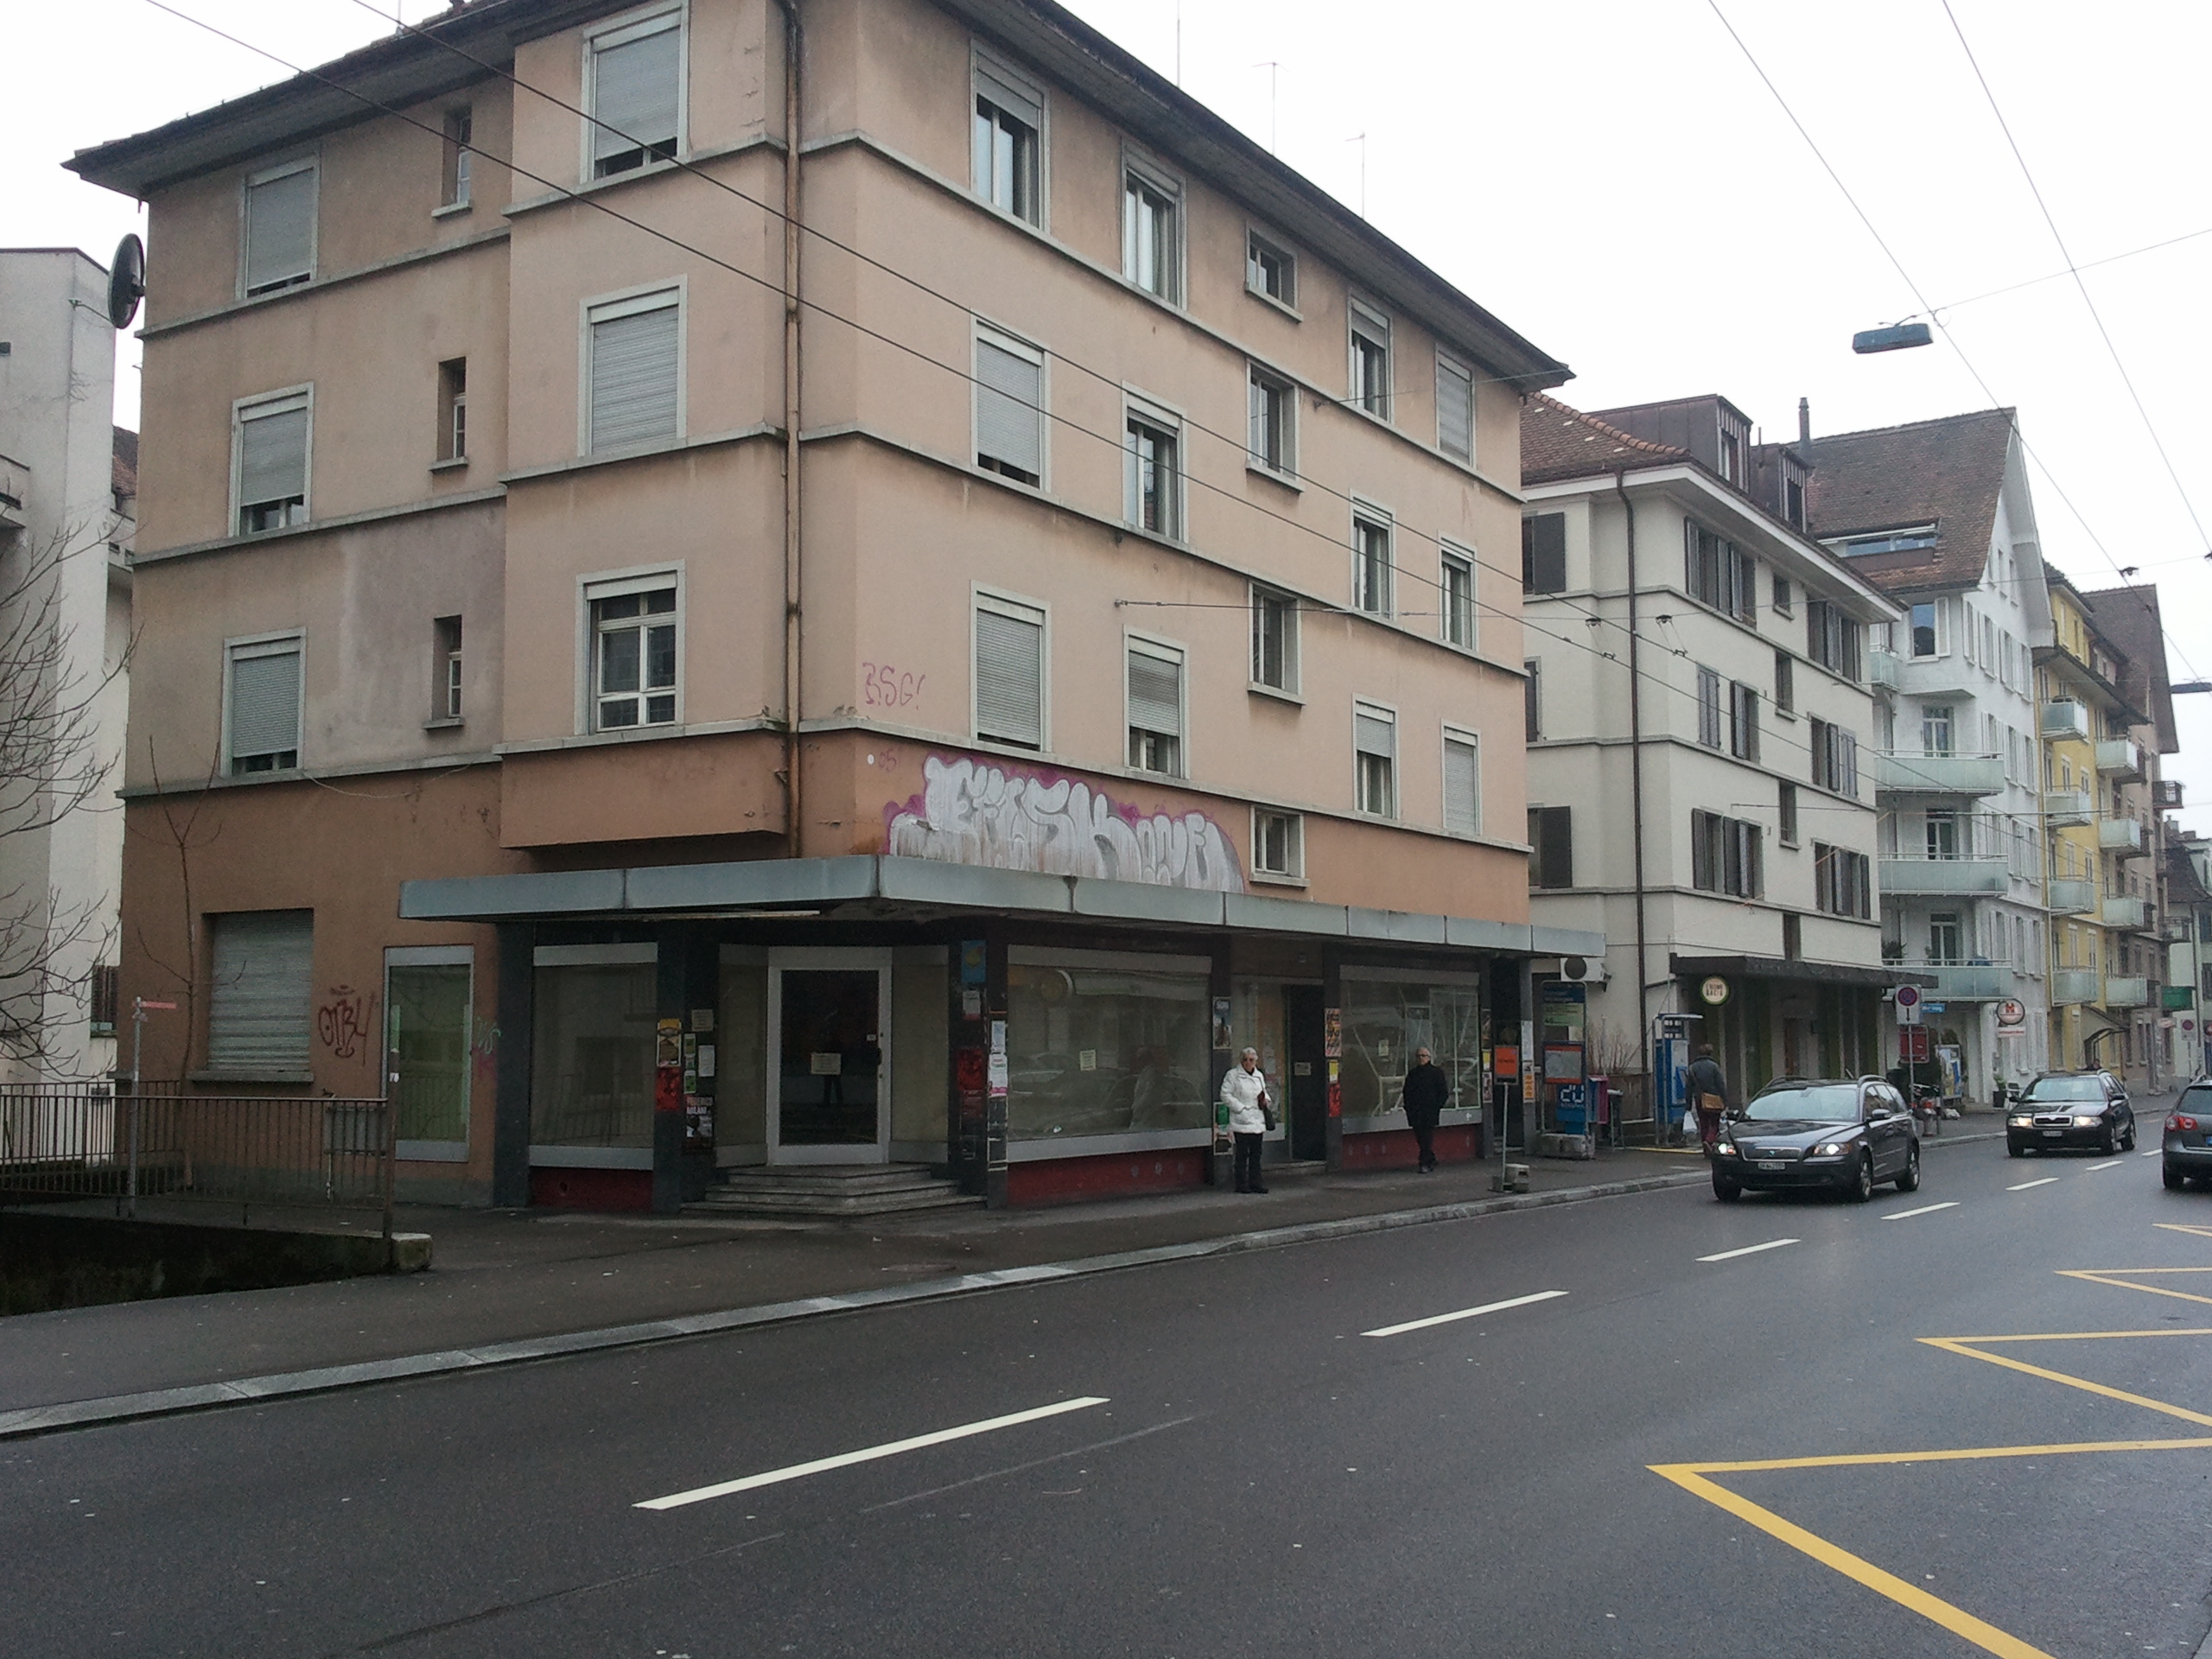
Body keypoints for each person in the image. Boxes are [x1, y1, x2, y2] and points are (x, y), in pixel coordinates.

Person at [1219, 1046, 1272, 1194]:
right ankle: (1241, 1184)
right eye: (1245, 1060)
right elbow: (1225, 1094)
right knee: (1242, 1154)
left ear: (1256, 1061)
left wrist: (1266, 1100)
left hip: (1257, 1120)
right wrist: (1240, 1108)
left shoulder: (1259, 1075)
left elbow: (1264, 1092)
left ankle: (1256, 1183)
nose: (1248, 1063)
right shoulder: (1233, 1075)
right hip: (1241, 1120)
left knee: (1256, 1154)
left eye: (1251, 1060)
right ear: (1241, 1061)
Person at [1402, 1045, 1450, 1173]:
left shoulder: (1436, 1072)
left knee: (1427, 1137)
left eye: (1423, 1056)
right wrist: (1408, 1107)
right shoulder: (1413, 1074)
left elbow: (1443, 1092)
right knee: (1420, 1136)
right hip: (1415, 1111)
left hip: (1430, 1111)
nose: (1420, 1058)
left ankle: (1424, 1162)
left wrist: (1437, 1106)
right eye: (1418, 1056)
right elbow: (1407, 1092)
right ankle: (1430, 1158)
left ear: (1429, 1057)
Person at [1686, 1044, 1729, 1152]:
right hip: (1714, 1098)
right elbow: (1720, 1084)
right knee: (1714, 1123)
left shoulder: (1692, 1068)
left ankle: (1705, 1148)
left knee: (1703, 1123)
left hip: (1699, 1099)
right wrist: (1725, 1100)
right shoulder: (1714, 1066)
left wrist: (1688, 1104)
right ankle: (1709, 1141)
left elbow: (1688, 1087)